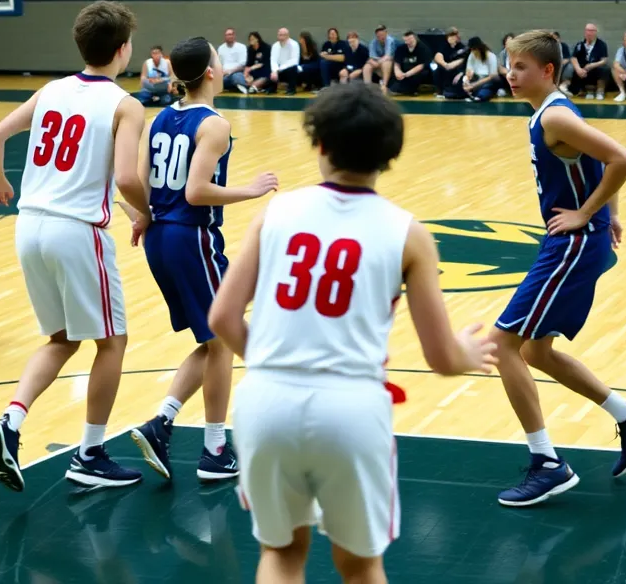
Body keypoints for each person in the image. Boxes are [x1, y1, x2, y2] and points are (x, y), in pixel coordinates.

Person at [207, 82, 497, 584]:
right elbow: (441, 357)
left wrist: (279, 365)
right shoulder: (408, 233)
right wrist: (466, 352)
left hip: (267, 401)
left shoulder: (274, 213)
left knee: (280, 553)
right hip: (351, 409)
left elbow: (222, 320)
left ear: (320, 145)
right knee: (360, 566)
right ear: (390, 155)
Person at [0, 0, 150, 491]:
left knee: (61, 340)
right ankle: (91, 453)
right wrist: (148, 212)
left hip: (28, 225)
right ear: (123, 50)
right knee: (112, 341)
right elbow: (125, 177)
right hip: (77, 232)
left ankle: (11, 421)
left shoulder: (52, 89)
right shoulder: (125, 104)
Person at [491, 30, 626, 506]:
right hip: (575, 242)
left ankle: (548, 464)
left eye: (520, 66)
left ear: (547, 71)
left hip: (571, 245)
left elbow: (624, 159)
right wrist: (612, 213)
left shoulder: (556, 116)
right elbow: (604, 159)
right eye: (509, 65)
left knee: (502, 345)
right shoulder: (553, 112)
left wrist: (589, 214)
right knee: (536, 352)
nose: (510, 74)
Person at [131, 36, 280, 484]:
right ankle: (215, 449)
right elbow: (196, 191)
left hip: (160, 236)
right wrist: (249, 191)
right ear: (212, 72)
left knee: (212, 340)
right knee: (224, 340)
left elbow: (137, 182)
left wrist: (140, 216)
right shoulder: (213, 123)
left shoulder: (161, 118)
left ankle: (162, 422)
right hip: (191, 237)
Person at [568, 23, 608, 99]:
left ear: (595, 32)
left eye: (591, 31)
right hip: (583, 70)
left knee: (605, 69)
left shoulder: (601, 45)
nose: (589, 33)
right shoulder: (580, 44)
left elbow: (604, 60)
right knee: (572, 68)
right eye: (587, 30)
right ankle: (586, 91)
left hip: (596, 68)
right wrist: (578, 69)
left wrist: (592, 65)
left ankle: (600, 91)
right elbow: (573, 58)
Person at [389, 31, 431, 96]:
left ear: (415, 39)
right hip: (403, 71)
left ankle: (409, 90)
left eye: (410, 40)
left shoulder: (423, 49)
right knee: (393, 75)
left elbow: (421, 65)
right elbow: (397, 62)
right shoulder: (401, 48)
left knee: (419, 75)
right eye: (406, 40)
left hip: (416, 72)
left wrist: (407, 74)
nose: (408, 42)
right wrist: (398, 72)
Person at [431, 27, 467, 97]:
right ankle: (440, 91)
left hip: (457, 69)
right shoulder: (443, 45)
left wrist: (452, 65)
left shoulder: (461, 47)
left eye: (454, 36)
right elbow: (438, 55)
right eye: (450, 36)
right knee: (437, 72)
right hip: (445, 67)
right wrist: (445, 64)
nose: (452, 38)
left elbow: (463, 59)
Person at [461, 36, 498, 102]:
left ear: (479, 48)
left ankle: (479, 95)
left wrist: (474, 85)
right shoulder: (471, 55)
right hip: (476, 78)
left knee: (485, 91)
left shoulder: (491, 56)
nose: (472, 51)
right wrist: (466, 80)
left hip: (487, 81)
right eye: (471, 49)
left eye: (474, 49)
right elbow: (468, 71)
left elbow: (492, 76)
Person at [363, 25, 397, 93]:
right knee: (367, 67)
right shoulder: (373, 42)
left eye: (382, 35)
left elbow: (388, 56)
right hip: (379, 62)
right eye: (378, 36)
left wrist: (377, 63)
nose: (381, 37)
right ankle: (368, 88)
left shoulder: (390, 40)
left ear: (386, 33)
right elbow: (371, 57)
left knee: (386, 62)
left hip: (393, 63)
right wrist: (373, 62)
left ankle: (384, 85)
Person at [269, 27, 301, 95]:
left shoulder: (294, 44)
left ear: (288, 36)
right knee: (270, 69)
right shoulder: (275, 45)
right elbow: (273, 60)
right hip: (278, 70)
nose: (281, 37)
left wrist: (278, 70)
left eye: (284, 35)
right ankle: (272, 89)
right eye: (280, 35)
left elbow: (294, 61)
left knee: (293, 68)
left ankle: (291, 89)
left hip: (291, 70)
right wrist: (274, 71)